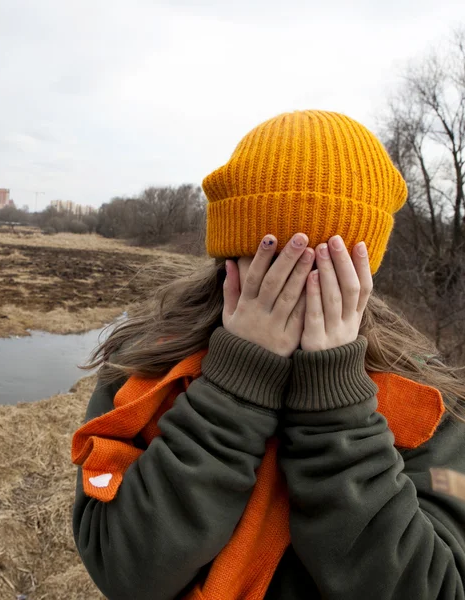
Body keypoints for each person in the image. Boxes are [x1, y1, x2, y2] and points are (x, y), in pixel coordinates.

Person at [71, 110, 465, 600]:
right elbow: (125, 569)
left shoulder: (426, 405)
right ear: (230, 259)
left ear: (361, 275)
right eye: (272, 262)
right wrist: (232, 389)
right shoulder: (150, 369)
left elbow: (437, 588)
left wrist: (338, 408)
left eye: (326, 271)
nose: (293, 291)